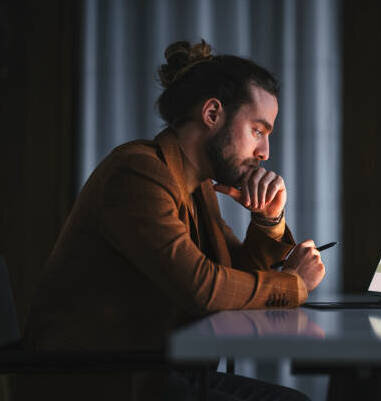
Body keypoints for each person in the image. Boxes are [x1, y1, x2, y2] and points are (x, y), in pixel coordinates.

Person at [17, 40, 326, 401]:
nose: (265, 152)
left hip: (155, 373)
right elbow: (205, 289)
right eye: (258, 131)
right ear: (212, 114)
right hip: (102, 381)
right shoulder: (137, 172)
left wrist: (267, 221)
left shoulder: (196, 186)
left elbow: (234, 274)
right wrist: (293, 284)